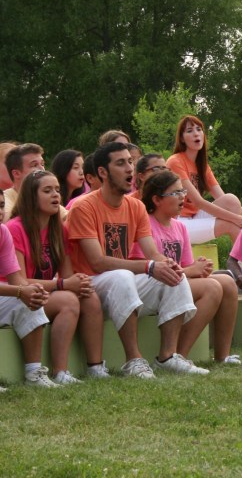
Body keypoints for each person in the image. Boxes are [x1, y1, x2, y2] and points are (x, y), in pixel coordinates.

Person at [67, 142, 204, 378]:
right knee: (122, 276)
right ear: (102, 172)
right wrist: (149, 266)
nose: (129, 168)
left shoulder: (136, 207)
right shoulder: (83, 207)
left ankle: (167, 357)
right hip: (90, 284)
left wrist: (166, 264)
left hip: (122, 282)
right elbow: (97, 262)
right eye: (120, 163)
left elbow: (152, 253)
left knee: (173, 274)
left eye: (130, 162)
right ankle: (134, 360)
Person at [7, 171, 108, 383]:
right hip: (14, 295)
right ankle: (59, 371)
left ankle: (95, 366)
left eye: (57, 190)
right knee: (68, 299)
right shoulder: (14, 228)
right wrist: (63, 284)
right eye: (47, 191)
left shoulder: (58, 230)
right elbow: (20, 282)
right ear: (31, 197)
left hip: (41, 292)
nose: (56, 195)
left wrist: (78, 282)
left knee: (88, 296)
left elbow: (67, 274)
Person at [131, 170, 240, 364]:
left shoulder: (179, 226)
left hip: (178, 280)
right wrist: (192, 271)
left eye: (183, 191)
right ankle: (177, 355)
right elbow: (150, 270)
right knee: (212, 287)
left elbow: (187, 266)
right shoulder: (145, 225)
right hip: (155, 284)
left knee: (227, 283)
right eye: (175, 193)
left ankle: (222, 356)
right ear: (156, 200)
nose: (183, 197)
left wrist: (201, 268)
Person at [0, 189, 58, 388]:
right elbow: (16, 288)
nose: (0, 211)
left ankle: (34, 373)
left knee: (30, 300)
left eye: (1, 205)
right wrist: (19, 291)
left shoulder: (2, 232)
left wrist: (31, 290)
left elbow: (16, 279)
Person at [166, 115, 242, 244]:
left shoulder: (203, 166)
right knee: (231, 224)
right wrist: (236, 218)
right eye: (190, 131)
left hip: (194, 216)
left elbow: (223, 198)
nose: (196, 134)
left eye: (199, 129)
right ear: (182, 139)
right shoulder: (175, 161)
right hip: (177, 221)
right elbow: (199, 202)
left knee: (231, 200)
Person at [3, 143, 47, 223]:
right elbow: (8, 223)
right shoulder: (5, 199)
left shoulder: (46, 195)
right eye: (34, 165)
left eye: (42, 164)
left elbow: (68, 219)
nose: (42, 169)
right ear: (16, 173)